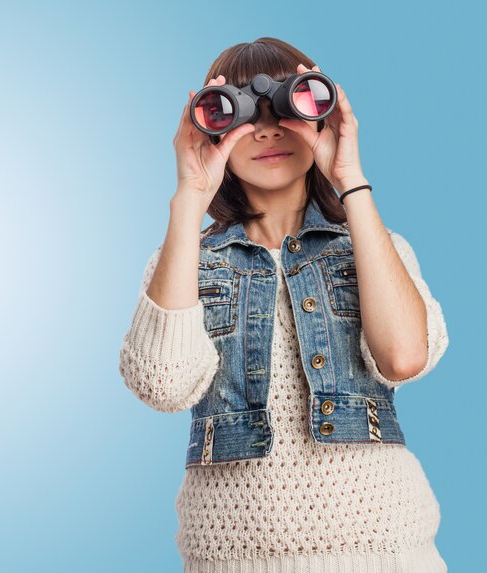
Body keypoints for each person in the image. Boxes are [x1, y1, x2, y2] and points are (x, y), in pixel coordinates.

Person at [119, 37, 449, 572]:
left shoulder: (371, 245)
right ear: (209, 125)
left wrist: (349, 180)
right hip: (231, 559)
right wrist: (190, 199)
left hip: (386, 553)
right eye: (242, 112)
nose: (269, 129)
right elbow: (163, 383)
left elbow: (404, 357)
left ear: (320, 115)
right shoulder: (185, 260)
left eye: (287, 108)